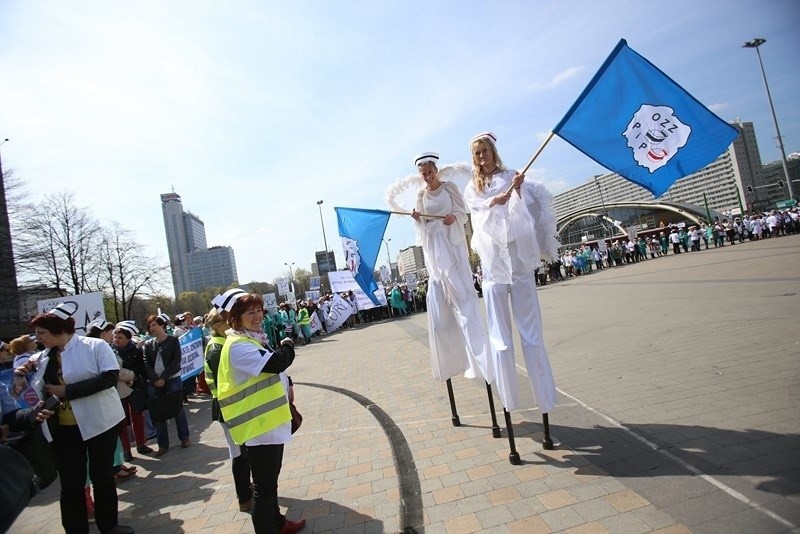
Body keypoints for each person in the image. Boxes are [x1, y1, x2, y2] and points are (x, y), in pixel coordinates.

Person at [463, 131, 558, 415]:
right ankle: (509, 402)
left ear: (493, 151)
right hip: (493, 268)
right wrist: (494, 202)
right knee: (500, 340)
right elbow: (477, 212)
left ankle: (544, 400)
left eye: (485, 151)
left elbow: (529, 212)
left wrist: (517, 191)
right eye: (477, 153)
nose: (482, 156)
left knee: (531, 335)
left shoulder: (513, 175)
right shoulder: (473, 187)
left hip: (517, 262)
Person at [28, 302, 134, 534]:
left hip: (101, 424)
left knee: (102, 476)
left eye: (42, 333)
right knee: (71, 484)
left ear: (59, 330)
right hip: (63, 430)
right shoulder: (45, 357)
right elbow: (29, 367)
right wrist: (19, 373)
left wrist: (68, 391)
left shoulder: (94, 346)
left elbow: (109, 378)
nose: (38, 338)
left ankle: (110, 526)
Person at [216, 292, 305, 534]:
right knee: (264, 489)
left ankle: (277, 524)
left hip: (269, 423)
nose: (257, 316)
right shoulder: (238, 346)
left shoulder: (250, 339)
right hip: (258, 427)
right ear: (235, 318)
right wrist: (287, 343)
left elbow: (273, 366)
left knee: (269, 484)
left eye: (259, 310)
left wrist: (289, 383)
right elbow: (276, 363)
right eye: (250, 312)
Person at [410, 151, 491, 382]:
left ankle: (476, 344)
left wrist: (453, 217)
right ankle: (452, 350)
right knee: (441, 288)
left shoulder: (449, 188)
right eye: (423, 174)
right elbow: (422, 225)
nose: (426, 177)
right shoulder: (420, 195)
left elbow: (462, 213)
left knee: (459, 288)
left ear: (436, 170)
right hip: (434, 245)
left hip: (451, 242)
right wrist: (418, 218)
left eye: (429, 172)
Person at [203, 306, 253, 512]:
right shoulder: (217, 348)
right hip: (228, 407)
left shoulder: (224, 343)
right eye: (227, 321)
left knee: (244, 451)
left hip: (232, 405)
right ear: (217, 326)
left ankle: (246, 489)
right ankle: (244, 496)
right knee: (239, 454)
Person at [142, 313, 190, 456]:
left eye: (154, 325)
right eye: (150, 326)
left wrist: (164, 377)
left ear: (162, 325)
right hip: (154, 382)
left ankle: (184, 437)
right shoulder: (148, 344)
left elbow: (176, 361)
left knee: (178, 408)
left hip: (172, 379)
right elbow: (146, 363)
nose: (152, 328)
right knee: (158, 412)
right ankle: (163, 445)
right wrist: (155, 379)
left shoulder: (173, 340)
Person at [112, 322, 153, 457]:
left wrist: (133, 377)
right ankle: (126, 450)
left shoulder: (136, 350)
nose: (117, 340)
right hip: (118, 390)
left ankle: (141, 444)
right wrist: (128, 376)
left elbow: (140, 368)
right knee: (122, 421)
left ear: (128, 338)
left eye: (120, 337)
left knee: (137, 416)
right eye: (115, 337)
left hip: (135, 388)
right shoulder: (110, 351)